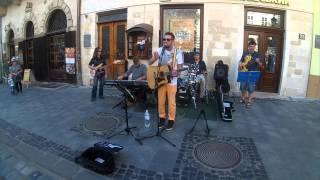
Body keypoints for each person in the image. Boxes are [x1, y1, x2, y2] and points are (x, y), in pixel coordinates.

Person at [149, 32, 184, 130]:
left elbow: (180, 69)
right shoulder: (160, 50)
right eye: (164, 39)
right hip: (160, 80)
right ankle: (162, 119)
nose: (165, 41)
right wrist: (154, 58)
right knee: (161, 101)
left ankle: (171, 120)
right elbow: (149, 62)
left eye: (168, 39)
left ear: (173, 41)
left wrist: (176, 73)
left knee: (171, 102)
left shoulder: (178, 52)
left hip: (172, 81)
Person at [238, 39, 263, 107]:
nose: (251, 47)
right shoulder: (245, 53)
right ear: (248, 46)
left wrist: (258, 62)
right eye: (250, 46)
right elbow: (241, 61)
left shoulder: (257, 54)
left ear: (255, 47)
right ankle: (243, 98)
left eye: (253, 46)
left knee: (251, 88)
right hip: (244, 72)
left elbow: (261, 65)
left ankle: (249, 101)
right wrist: (240, 65)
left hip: (253, 73)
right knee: (243, 87)